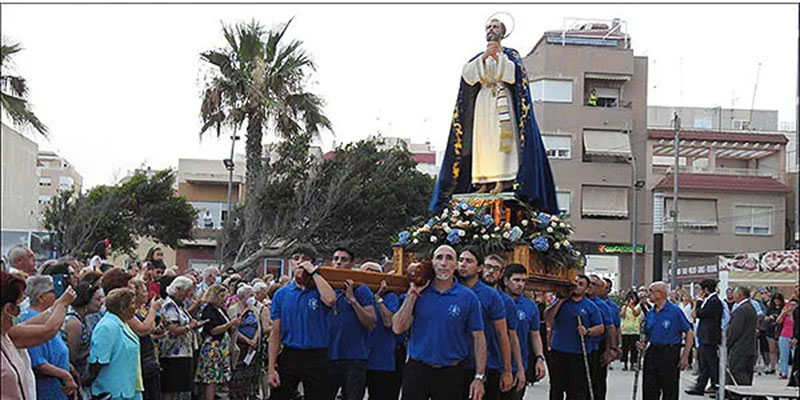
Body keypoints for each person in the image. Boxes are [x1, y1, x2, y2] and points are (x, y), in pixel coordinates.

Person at [430, 16, 557, 213]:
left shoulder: (510, 54)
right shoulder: (478, 56)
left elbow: (514, 76)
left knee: (502, 144)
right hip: (483, 102)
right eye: (489, 26)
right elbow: (468, 75)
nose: (491, 29)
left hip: (502, 100)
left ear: (503, 32)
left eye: (495, 26)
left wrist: (498, 58)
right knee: (483, 144)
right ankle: (482, 182)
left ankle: (501, 181)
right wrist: (483, 59)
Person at [392, 245, 486, 400]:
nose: (443, 263)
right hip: (418, 369)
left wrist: (479, 377)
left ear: (456, 265)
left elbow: (479, 337)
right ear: (432, 263)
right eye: (439, 258)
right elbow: (398, 328)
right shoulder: (418, 292)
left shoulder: (468, 297)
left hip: (451, 372)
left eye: (449, 258)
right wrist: (413, 294)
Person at [268, 245, 337, 400]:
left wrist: (314, 272)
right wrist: (271, 368)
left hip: (317, 355)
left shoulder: (320, 291)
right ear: (291, 262)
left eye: (305, 259)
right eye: (296, 258)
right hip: (290, 353)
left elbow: (331, 300)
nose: (300, 262)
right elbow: (275, 332)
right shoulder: (282, 294)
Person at [456, 247, 513, 400]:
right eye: (460, 260)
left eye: (468, 261)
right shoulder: (451, 289)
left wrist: (507, 370)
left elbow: (503, 335)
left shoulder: (491, 296)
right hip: (455, 365)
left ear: (479, 268)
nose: (463, 264)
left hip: (487, 366)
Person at [327, 247, 377, 400]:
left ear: (352, 263)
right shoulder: (326, 288)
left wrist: (353, 300)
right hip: (328, 355)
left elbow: (371, 323)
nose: (338, 263)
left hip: (354, 358)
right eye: (335, 259)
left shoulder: (361, 290)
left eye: (343, 259)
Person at [543, 274, 604, 400]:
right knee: (556, 388)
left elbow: (600, 328)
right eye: (575, 283)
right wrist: (560, 300)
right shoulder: (560, 302)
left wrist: (587, 331)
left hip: (579, 354)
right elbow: (547, 317)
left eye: (581, 284)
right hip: (558, 352)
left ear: (586, 289)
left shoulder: (590, 306)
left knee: (577, 390)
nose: (576, 286)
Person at [21, 275, 78, 399]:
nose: (56, 294)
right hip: (47, 390)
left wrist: (69, 367)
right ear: (41, 297)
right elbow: (38, 363)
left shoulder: (43, 315)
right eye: (52, 291)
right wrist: (65, 375)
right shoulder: (30, 318)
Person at [638, 282, 694, 400]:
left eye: (651, 291)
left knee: (669, 389)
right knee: (649, 388)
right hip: (653, 351)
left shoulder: (674, 311)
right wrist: (642, 344)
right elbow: (646, 333)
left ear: (660, 293)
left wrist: (685, 357)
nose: (648, 294)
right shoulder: (651, 312)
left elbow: (689, 333)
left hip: (669, 352)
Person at [87, 288, 143, 400]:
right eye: (132, 303)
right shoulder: (107, 326)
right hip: (113, 392)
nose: (135, 306)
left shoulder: (122, 323)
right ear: (122, 308)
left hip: (130, 389)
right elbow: (97, 362)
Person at [501, 263, 546, 400]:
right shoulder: (496, 300)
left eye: (523, 281)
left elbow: (535, 334)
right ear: (506, 281)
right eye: (516, 280)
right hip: (496, 365)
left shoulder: (530, 306)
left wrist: (540, 358)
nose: (520, 284)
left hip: (519, 366)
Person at [361, 262, 403, 400]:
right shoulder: (355, 294)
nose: (370, 276)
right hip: (357, 358)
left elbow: (389, 322)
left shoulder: (390, 297)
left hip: (382, 360)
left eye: (375, 273)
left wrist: (378, 299)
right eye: (367, 272)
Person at [159, 276, 204, 400]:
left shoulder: (180, 305)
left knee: (180, 388)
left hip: (184, 351)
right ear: (178, 290)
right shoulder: (169, 305)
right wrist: (190, 326)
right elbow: (173, 330)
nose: (189, 294)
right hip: (173, 353)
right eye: (186, 291)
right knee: (171, 387)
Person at [196, 284, 241, 400]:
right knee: (211, 378)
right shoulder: (209, 310)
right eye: (222, 296)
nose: (225, 298)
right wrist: (230, 324)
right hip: (212, 347)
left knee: (217, 378)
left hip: (222, 347)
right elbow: (213, 330)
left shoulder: (220, 309)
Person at [62, 281, 104, 396]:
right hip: (75, 377)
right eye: (97, 299)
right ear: (86, 301)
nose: (101, 302)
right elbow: (72, 357)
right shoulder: (74, 324)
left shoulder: (84, 319)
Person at [686, 279, 722, 396]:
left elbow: (699, 313)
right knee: (704, 363)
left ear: (706, 290)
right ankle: (700, 386)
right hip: (704, 336)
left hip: (709, 336)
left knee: (711, 362)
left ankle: (716, 385)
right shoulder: (710, 300)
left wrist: (699, 302)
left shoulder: (714, 301)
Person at [128, 278, 164, 400]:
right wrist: (153, 309)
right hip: (142, 358)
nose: (147, 294)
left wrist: (156, 331)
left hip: (149, 354)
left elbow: (149, 329)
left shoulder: (142, 310)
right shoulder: (130, 313)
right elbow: (142, 329)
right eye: (144, 291)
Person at [229, 284, 261, 400]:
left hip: (252, 346)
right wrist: (247, 340)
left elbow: (259, 326)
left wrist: (254, 340)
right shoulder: (233, 309)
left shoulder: (254, 310)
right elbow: (233, 329)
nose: (253, 297)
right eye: (250, 295)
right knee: (238, 371)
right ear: (242, 296)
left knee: (250, 372)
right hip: (239, 345)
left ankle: (250, 393)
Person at [586, 275, 616, 400]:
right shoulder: (579, 301)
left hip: (597, 347)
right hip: (579, 347)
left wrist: (611, 349)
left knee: (597, 382)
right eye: (590, 283)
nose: (591, 287)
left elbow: (611, 328)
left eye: (595, 285)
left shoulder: (603, 306)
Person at [726, 286, 758, 385]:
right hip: (749, 346)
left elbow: (735, 330)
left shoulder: (742, 310)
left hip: (740, 347)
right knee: (747, 372)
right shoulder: (750, 308)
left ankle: (749, 394)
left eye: (735, 294)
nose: (733, 296)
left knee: (737, 371)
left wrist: (728, 343)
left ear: (740, 295)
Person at [620, 291, 642, 371]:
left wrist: (632, 307)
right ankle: (625, 363)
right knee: (625, 348)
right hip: (625, 330)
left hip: (634, 330)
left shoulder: (638, 307)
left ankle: (633, 363)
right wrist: (626, 306)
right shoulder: (624, 307)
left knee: (634, 348)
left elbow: (636, 314)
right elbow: (622, 315)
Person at [764, 292, 785, 374]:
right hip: (771, 330)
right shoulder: (770, 309)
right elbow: (765, 318)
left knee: (780, 350)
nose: (777, 301)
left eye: (778, 300)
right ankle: (772, 366)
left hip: (780, 330)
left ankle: (781, 367)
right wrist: (770, 317)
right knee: (772, 349)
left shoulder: (783, 308)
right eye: (775, 300)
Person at [777, 297, 797, 380]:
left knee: (794, 356)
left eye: (793, 305)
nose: (792, 307)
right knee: (783, 355)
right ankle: (784, 372)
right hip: (784, 335)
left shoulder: (796, 314)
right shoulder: (786, 312)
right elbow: (778, 321)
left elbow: (795, 323)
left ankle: (794, 373)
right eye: (790, 305)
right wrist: (783, 313)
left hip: (794, 336)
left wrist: (791, 314)